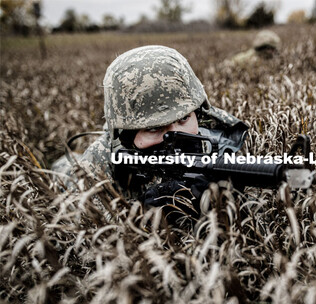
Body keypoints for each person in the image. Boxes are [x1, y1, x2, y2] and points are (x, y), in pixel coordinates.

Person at [52, 45, 248, 209]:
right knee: (63, 167)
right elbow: (85, 239)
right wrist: (141, 216)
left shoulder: (222, 139)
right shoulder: (97, 165)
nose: (176, 136)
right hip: (66, 173)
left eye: (183, 119)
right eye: (155, 129)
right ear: (125, 135)